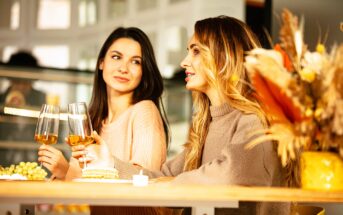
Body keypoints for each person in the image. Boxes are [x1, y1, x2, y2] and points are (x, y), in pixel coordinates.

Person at [72, 16, 290, 215]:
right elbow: (160, 176)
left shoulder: (255, 120)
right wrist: (109, 164)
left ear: (223, 57)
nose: (184, 62)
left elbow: (227, 175)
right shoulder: (207, 126)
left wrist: (172, 182)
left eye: (196, 51)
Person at [38, 27, 169, 179]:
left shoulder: (145, 111)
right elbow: (81, 187)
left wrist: (66, 172)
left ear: (144, 71)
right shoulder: (93, 119)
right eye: (116, 57)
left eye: (135, 61)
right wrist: (63, 171)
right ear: (101, 63)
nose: (123, 68)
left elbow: (146, 180)